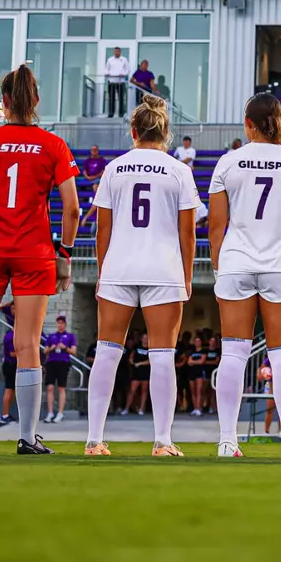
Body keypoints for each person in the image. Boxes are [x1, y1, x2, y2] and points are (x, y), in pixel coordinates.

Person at [0, 65, 79, 455]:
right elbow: (72, 209)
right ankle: (27, 437)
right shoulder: (53, 144)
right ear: (36, 100)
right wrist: (66, 256)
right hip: (34, 252)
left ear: (3, 101)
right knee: (27, 344)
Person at [82, 93, 199, 456]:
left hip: (120, 265)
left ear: (133, 130)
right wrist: (188, 275)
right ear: (166, 133)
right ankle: (162, 441)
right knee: (163, 354)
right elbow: (188, 232)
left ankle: (94, 439)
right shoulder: (180, 170)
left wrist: (104, 271)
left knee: (106, 352)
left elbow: (102, 229)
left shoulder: (114, 168)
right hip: (163, 268)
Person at [208, 93, 281, 459]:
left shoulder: (227, 162)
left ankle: (227, 440)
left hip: (236, 263)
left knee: (234, 354)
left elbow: (215, 226)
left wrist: (219, 267)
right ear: (280, 122)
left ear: (248, 123)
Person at [41, 313, 76, 423]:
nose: (60, 325)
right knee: (50, 388)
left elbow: (73, 351)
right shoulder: (51, 336)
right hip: (52, 362)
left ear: (65, 324)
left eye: (62, 323)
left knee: (61, 388)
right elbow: (44, 350)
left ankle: (60, 413)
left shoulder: (70, 336)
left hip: (63, 362)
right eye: (58, 323)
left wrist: (65, 347)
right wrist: (51, 348)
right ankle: (50, 412)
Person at [125, 333, 151, 414]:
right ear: (141, 339)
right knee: (132, 390)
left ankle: (141, 408)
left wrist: (140, 364)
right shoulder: (136, 348)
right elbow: (131, 356)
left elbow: (150, 361)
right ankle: (126, 408)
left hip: (145, 372)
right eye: (144, 338)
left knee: (144, 391)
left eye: (147, 338)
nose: (145, 339)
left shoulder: (150, 349)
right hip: (136, 373)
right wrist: (131, 360)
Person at [104, 46, 130, 118]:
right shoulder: (110, 60)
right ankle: (111, 113)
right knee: (111, 98)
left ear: (120, 52)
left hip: (120, 82)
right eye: (115, 51)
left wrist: (123, 74)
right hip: (112, 82)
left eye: (118, 51)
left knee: (121, 98)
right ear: (114, 52)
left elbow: (127, 70)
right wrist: (107, 74)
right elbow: (106, 69)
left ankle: (121, 114)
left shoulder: (124, 59)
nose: (116, 53)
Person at [0, 318, 17, 422]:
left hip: (13, 365)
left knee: (12, 390)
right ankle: (4, 415)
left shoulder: (15, 336)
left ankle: (7, 413)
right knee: (9, 390)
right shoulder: (11, 337)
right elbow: (12, 353)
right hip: (10, 365)